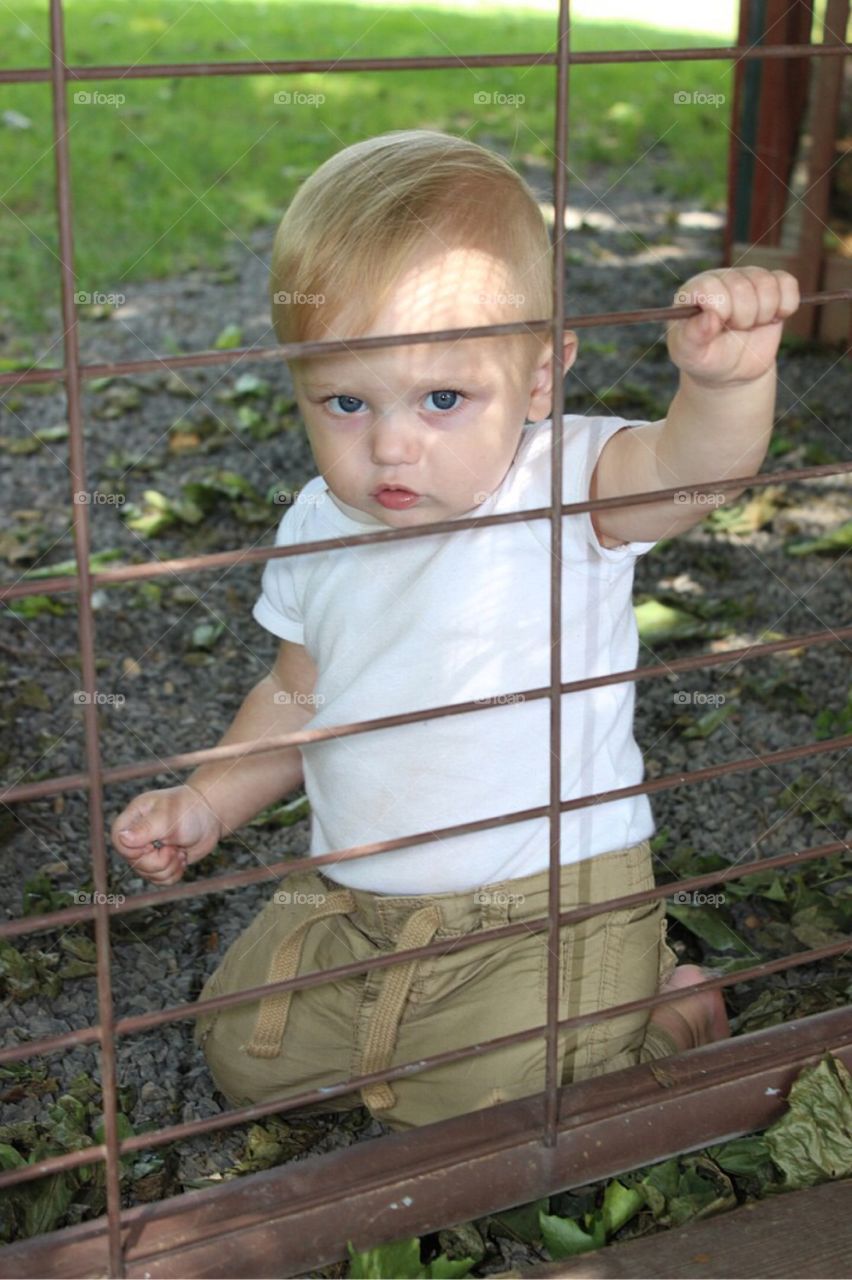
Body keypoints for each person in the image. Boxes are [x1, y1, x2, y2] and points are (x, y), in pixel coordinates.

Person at [111, 131, 799, 1131]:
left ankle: (665, 1011)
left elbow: (692, 475)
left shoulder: (565, 482)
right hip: (356, 903)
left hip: (546, 905)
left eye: (443, 398)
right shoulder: (315, 521)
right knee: (240, 1049)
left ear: (537, 376)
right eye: (346, 400)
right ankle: (477, 1041)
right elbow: (295, 693)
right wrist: (209, 800)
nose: (391, 443)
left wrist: (723, 387)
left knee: (508, 1118)